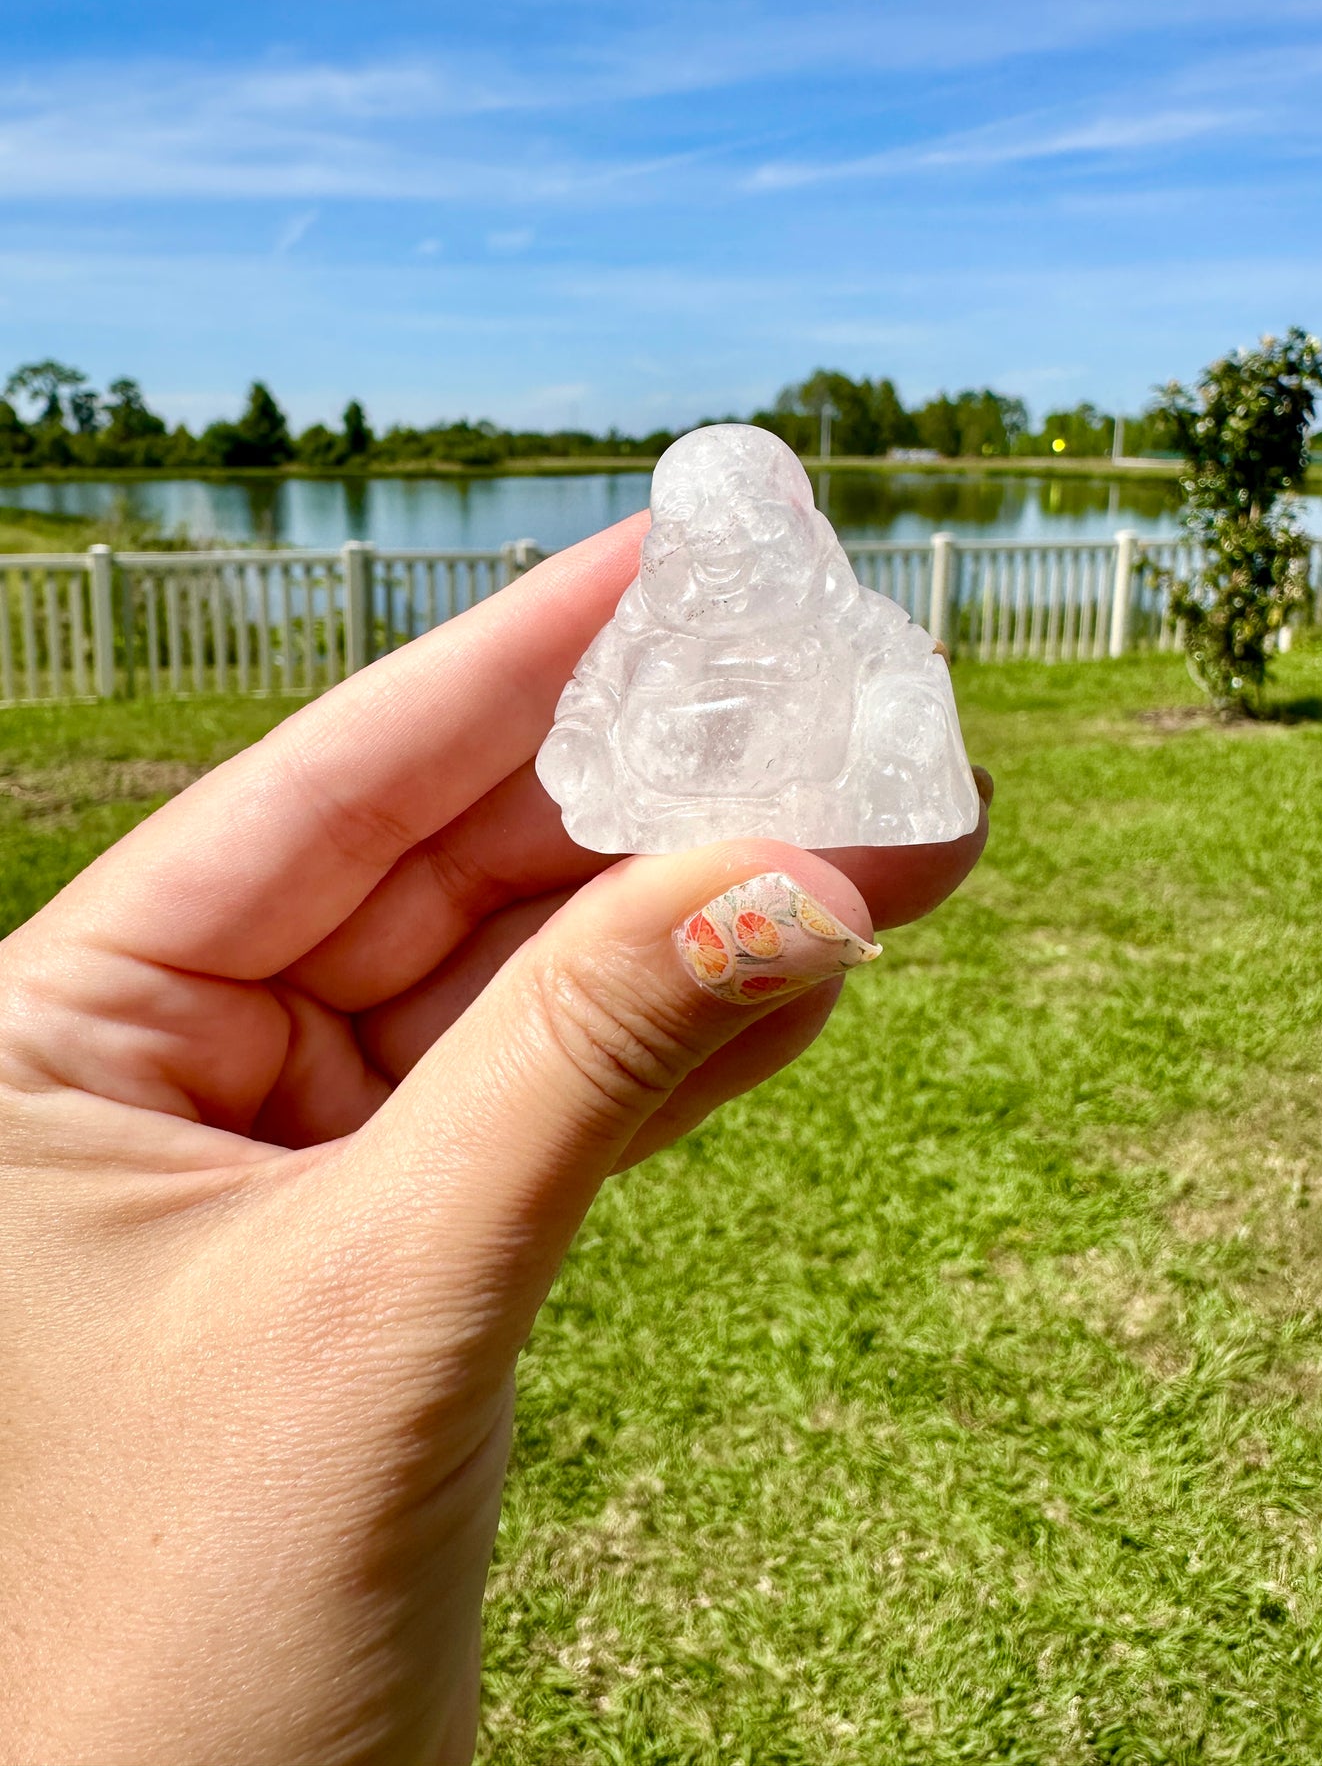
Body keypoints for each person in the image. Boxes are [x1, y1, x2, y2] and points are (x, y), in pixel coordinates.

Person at [0, 514, 990, 1765]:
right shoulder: (651, 634)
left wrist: (895, 742)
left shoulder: (846, 627)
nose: (732, 564)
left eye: (756, 536)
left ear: (791, 540)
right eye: (708, 540)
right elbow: (580, 753)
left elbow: (899, 715)